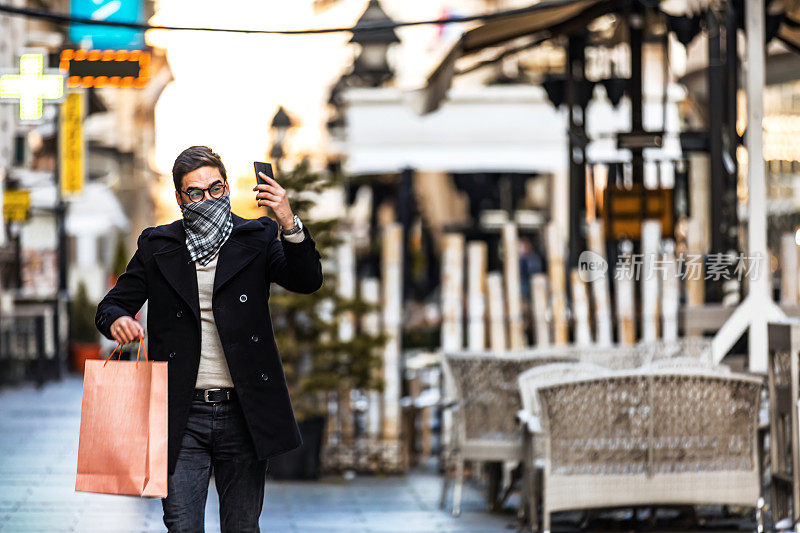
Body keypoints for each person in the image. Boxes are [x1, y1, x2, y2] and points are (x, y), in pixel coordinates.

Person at [95, 146, 323, 532]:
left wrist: (287, 220)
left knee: (242, 526)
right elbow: (112, 304)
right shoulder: (158, 246)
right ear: (181, 197)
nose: (208, 199)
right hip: (181, 412)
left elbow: (307, 280)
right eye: (196, 193)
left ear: (227, 186)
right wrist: (118, 319)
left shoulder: (258, 236)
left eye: (216, 188)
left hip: (244, 411)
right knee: (182, 526)